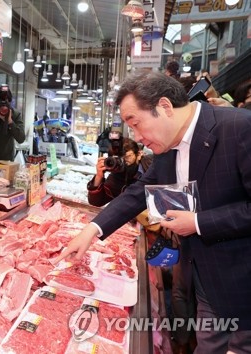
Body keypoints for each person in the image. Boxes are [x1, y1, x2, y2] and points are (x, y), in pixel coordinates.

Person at [56, 70, 251, 352]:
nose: (137, 138)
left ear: (164, 107)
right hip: (204, 279)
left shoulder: (239, 128)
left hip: (242, 279)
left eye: (136, 124)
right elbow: (137, 193)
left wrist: (198, 222)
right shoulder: (167, 148)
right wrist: (92, 230)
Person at [87, 137, 153, 207]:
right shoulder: (116, 177)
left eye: (127, 157)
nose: (122, 162)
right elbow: (96, 202)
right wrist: (99, 176)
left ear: (139, 154)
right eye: (117, 158)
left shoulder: (152, 164)